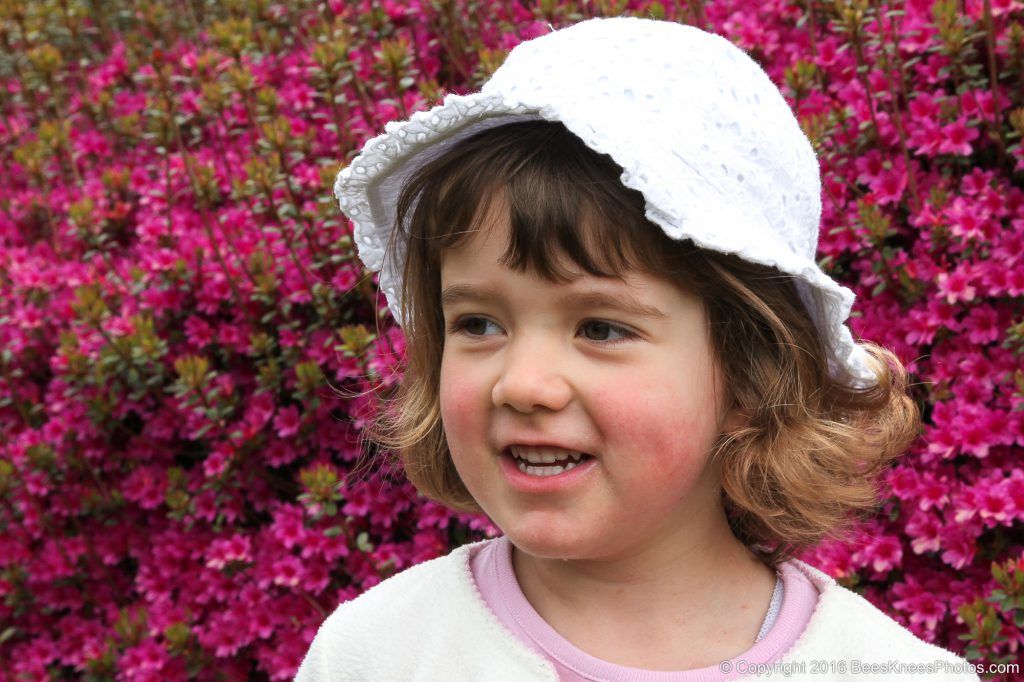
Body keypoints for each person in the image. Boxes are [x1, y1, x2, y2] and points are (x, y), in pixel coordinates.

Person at [295, 16, 980, 681]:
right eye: (478, 324)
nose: (523, 383)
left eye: (600, 328)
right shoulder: (378, 655)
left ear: (751, 376)